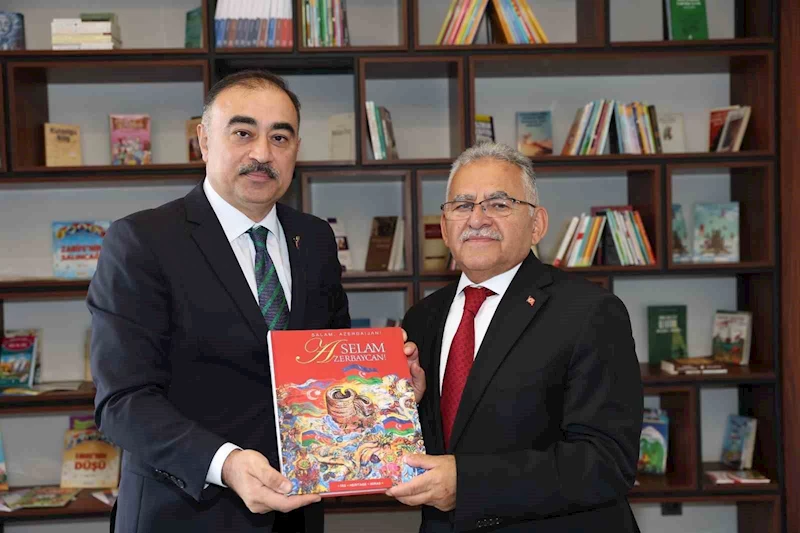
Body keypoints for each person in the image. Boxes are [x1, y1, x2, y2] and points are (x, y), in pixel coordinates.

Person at [87, 70, 424, 533]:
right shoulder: (143, 241)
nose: (262, 154)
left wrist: (390, 395)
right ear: (204, 141)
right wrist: (225, 463)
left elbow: (330, 373)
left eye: (279, 137)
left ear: (296, 149)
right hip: (185, 515)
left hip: (297, 512)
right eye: (243, 133)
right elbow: (122, 402)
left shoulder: (315, 239)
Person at [388, 142, 643, 532]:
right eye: (462, 205)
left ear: (537, 223)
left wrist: (468, 484)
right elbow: (439, 442)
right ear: (444, 228)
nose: (477, 219)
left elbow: (606, 462)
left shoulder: (590, 312)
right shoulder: (422, 318)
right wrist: (409, 405)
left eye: (499, 204)